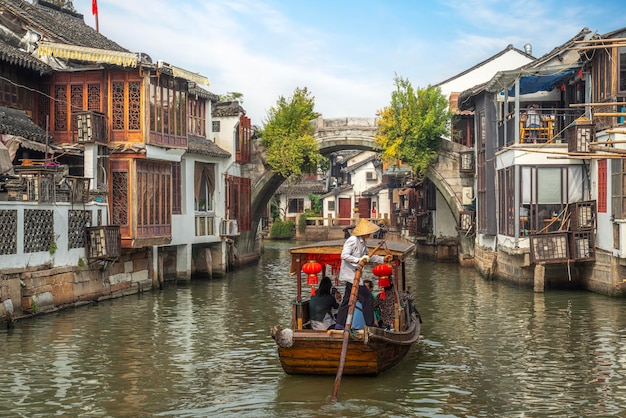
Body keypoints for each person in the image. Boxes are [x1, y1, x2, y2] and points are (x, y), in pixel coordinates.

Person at [335, 219, 392, 330]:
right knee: (367, 298)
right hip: (351, 276)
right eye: (369, 232)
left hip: (355, 275)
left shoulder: (362, 242)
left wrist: (382, 259)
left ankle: (339, 324)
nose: (370, 234)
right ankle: (370, 324)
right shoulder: (353, 240)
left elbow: (369, 256)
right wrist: (358, 260)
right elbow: (344, 255)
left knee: (347, 300)